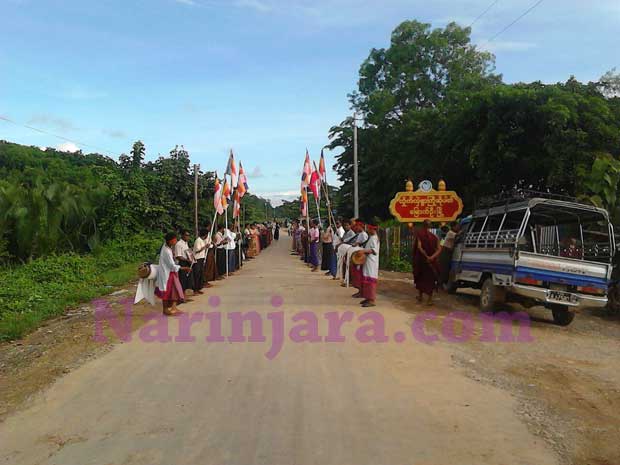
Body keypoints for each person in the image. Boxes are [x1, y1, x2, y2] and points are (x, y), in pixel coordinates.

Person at [155, 232, 191, 316]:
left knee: (175, 289)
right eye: (175, 240)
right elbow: (171, 265)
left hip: (171, 273)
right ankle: (165, 309)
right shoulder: (166, 251)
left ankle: (174, 307)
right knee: (166, 291)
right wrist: (183, 268)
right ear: (170, 241)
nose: (176, 241)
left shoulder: (167, 246)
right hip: (167, 273)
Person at [413, 219, 442, 305]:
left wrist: (426, 256)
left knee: (421, 278)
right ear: (430, 226)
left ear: (423, 225)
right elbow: (440, 249)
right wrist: (432, 257)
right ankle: (429, 299)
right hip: (431, 262)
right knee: (430, 279)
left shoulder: (419, 235)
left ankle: (420, 297)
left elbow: (419, 247)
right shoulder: (434, 236)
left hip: (422, 261)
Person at [359, 224, 380, 307]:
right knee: (366, 278)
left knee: (370, 279)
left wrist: (364, 251)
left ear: (372, 229)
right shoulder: (372, 237)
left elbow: (374, 250)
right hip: (368, 262)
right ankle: (368, 297)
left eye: (368, 229)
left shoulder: (374, 238)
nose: (367, 230)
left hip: (372, 262)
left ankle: (372, 300)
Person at [175, 230, 201, 295]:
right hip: (182, 263)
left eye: (188, 235)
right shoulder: (178, 244)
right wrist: (187, 260)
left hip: (187, 262)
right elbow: (178, 256)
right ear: (182, 235)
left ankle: (187, 293)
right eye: (186, 235)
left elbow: (188, 253)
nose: (188, 237)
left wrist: (192, 257)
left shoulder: (186, 243)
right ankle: (181, 295)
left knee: (188, 279)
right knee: (182, 279)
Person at [350, 221, 369, 296]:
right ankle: (360, 290)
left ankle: (362, 291)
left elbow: (363, 245)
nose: (356, 228)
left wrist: (357, 244)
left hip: (361, 256)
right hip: (357, 254)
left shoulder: (364, 235)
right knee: (357, 274)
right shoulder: (360, 234)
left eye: (357, 226)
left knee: (360, 273)